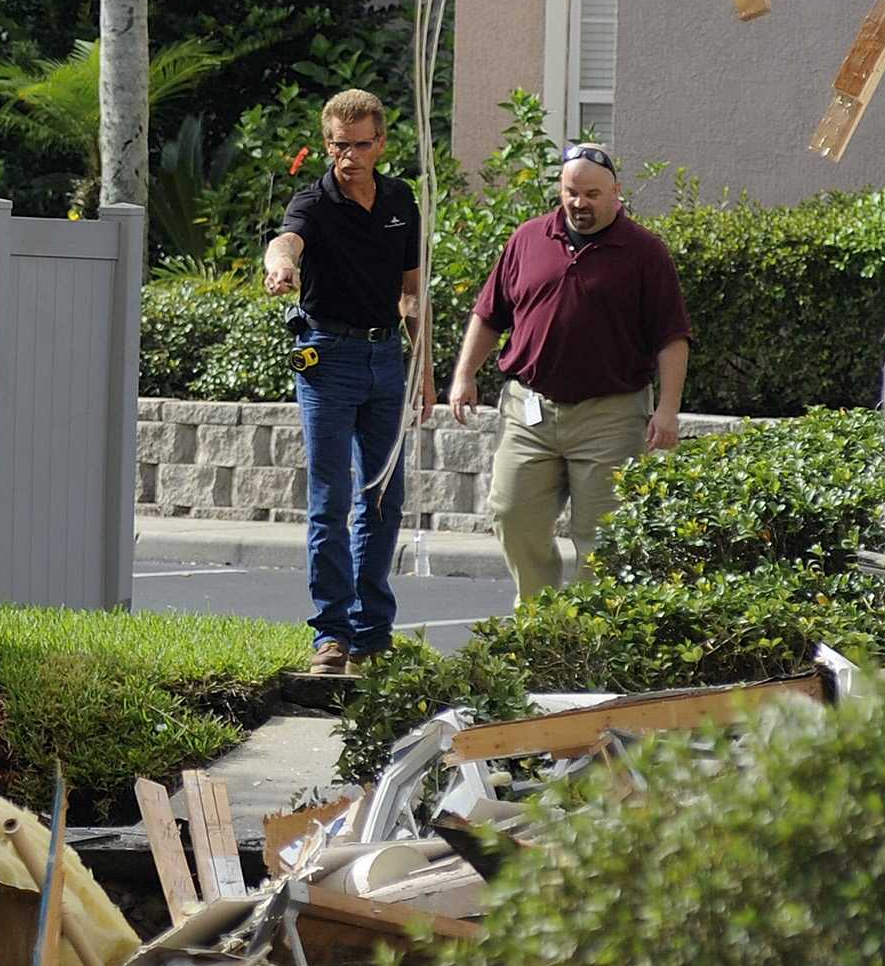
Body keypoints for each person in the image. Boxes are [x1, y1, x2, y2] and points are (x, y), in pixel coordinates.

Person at [443, 141, 692, 603]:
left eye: (593, 194)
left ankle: (596, 636)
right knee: (511, 513)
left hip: (610, 416)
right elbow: (488, 314)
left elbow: (672, 338)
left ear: (616, 191)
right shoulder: (527, 239)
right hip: (528, 409)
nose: (581, 204)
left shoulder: (645, 252)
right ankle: (541, 620)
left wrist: (669, 410)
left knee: (604, 537)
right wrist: (464, 375)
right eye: (572, 192)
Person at [260, 89, 424, 674]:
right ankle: (330, 636)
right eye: (336, 144)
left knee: (382, 498)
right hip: (327, 356)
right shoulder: (315, 201)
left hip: (386, 360)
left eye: (359, 144)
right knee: (330, 501)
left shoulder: (401, 198)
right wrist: (280, 265)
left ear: (380, 143)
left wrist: (422, 370)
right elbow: (287, 240)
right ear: (327, 142)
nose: (347, 156)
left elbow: (411, 291)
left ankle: (372, 634)